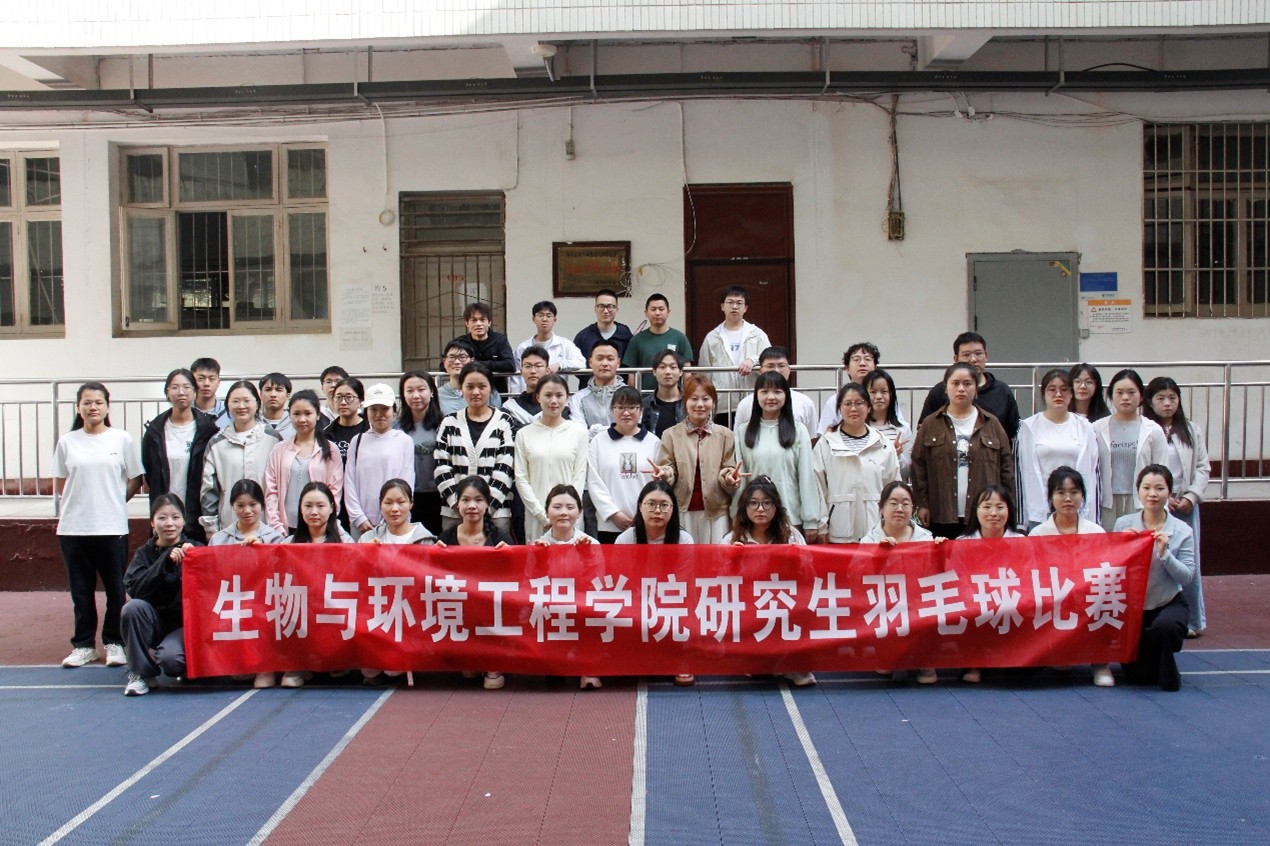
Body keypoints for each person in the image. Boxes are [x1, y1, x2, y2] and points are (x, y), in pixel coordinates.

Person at [53, 382, 145, 669]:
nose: (93, 407)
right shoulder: (67, 442)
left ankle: (114, 642)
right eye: (87, 402)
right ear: (78, 408)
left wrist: (115, 499)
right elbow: (61, 482)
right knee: (81, 591)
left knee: (116, 590)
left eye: (98, 402)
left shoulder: (121, 439)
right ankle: (83, 645)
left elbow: (136, 478)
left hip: (111, 527)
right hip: (74, 528)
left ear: (107, 407)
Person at [1027, 466, 1113, 688]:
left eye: (1074, 492)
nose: (1067, 498)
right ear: (1051, 497)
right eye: (1060, 492)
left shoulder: (1095, 532)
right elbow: (1031, 574)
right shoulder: (1038, 534)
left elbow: (1106, 570)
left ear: (1082, 496)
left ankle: (1100, 663)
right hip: (1052, 597)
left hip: (1087, 597)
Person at [723, 477, 814, 687]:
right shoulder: (731, 539)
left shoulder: (792, 536)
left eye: (767, 503)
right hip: (749, 605)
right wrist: (732, 562)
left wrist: (797, 562)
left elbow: (809, 574)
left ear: (776, 506)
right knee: (757, 670)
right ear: (744, 507)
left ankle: (792, 664)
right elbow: (718, 580)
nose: (760, 509)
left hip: (785, 601)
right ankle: (757, 657)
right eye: (753, 503)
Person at [1113, 465, 1195, 692]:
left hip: (1168, 603)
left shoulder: (1182, 531)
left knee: (1165, 627)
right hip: (1133, 608)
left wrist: (1165, 554)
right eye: (1146, 488)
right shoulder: (1123, 524)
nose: (1152, 494)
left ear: (1169, 492)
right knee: (1139, 677)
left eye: (1159, 488)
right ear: (1138, 491)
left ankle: (1170, 676)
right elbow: (1111, 568)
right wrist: (1121, 546)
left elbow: (1187, 576)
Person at [911, 363, 1015, 539]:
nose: (961, 389)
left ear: (976, 389)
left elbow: (1006, 469)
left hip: (983, 516)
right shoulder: (930, 424)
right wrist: (922, 504)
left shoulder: (992, 424)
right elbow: (918, 466)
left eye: (967, 383)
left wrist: (1008, 506)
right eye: (955, 383)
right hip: (941, 512)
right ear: (946, 388)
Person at [1144, 376, 1210, 637]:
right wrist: (1163, 497)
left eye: (1172, 398)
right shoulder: (1148, 429)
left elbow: (1203, 467)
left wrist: (1191, 496)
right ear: (1150, 402)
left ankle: (1193, 621)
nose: (1167, 404)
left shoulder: (1191, 430)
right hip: (1157, 504)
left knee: (1189, 562)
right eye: (1160, 398)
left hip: (1185, 505)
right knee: (1156, 561)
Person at [120, 494, 199, 696]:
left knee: (171, 661)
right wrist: (164, 561)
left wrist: (196, 560)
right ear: (152, 523)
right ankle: (140, 674)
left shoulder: (195, 548)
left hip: (185, 626)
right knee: (132, 608)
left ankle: (188, 664)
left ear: (184, 521)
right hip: (154, 623)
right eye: (162, 518)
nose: (169, 523)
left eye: (175, 517)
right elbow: (136, 589)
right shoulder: (144, 554)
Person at [274, 481, 351, 688]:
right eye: (308, 506)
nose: (314, 512)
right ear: (300, 509)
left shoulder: (346, 544)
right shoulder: (287, 544)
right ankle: (296, 665)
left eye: (320, 506)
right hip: (301, 609)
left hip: (333, 608)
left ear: (332, 508)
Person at [863, 480, 941, 684]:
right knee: (885, 668)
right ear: (881, 508)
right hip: (885, 603)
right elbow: (857, 577)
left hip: (918, 602)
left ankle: (923, 659)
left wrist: (942, 553)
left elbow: (936, 576)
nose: (899, 509)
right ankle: (890, 653)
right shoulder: (869, 540)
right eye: (893, 503)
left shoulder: (926, 539)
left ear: (912, 508)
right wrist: (878, 556)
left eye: (905, 504)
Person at [653, 375, 742, 544]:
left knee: (716, 557)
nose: (700, 404)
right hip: (681, 510)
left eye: (705, 399)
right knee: (685, 557)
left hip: (717, 512)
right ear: (685, 401)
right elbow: (668, 468)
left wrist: (730, 478)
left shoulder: (726, 435)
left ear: (713, 402)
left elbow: (728, 469)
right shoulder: (670, 434)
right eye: (694, 399)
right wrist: (664, 474)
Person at [736, 371, 821, 540]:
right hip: (754, 520)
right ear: (756, 396)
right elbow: (741, 479)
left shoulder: (799, 430)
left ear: (786, 395)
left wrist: (810, 520)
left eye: (777, 391)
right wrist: (737, 515)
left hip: (790, 518)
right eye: (764, 391)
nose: (771, 397)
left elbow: (806, 477)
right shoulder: (743, 432)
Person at [434, 362, 517, 535]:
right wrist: (459, 504)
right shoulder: (449, 422)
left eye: (482, 386)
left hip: (496, 513)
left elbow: (506, 467)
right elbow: (441, 467)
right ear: (461, 388)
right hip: (454, 513)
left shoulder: (504, 421)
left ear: (491, 388)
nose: (476, 392)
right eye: (470, 387)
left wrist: (486, 506)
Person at [532, 484, 600, 689]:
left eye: (570, 507)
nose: (563, 513)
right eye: (557, 507)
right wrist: (539, 561)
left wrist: (587, 559)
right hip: (550, 605)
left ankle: (588, 668)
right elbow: (528, 586)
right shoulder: (537, 545)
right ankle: (554, 662)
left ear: (579, 512)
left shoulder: (591, 544)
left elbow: (599, 584)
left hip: (581, 604)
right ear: (547, 512)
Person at [813, 383, 900, 543]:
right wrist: (822, 525)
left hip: (876, 531)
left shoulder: (883, 444)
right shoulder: (826, 443)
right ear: (839, 408)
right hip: (838, 531)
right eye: (847, 404)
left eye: (859, 403)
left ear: (869, 407)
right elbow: (818, 488)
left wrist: (891, 525)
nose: (853, 409)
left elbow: (893, 487)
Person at [1016, 369, 1101, 530]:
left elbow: (1094, 474)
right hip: (1040, 510)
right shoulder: (1028, 427)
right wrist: (1021, 521)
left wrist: (1094, 517)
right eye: (1052, 389)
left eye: (1064, 389)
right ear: (1043, 393)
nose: (1058, 394)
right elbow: (1020, 474)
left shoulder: (1085, 427)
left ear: (1071, 393)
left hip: (1075, 508)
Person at [140, 368, 219, 543]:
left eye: (186, 387)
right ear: (167, 392)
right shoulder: (154, 431)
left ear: (195, 391)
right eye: (175, 387)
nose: (181, 392)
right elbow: (149, 471)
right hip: (164, 515)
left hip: (197, 515)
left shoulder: (208, 430)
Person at [956, 483, 1025, 684]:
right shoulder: (962, 543)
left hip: (1013, 601)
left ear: (1009, 511)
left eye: (1000, 507)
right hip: (976, 602)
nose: (993, 513)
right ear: (975, 510)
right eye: (986, 507)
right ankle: (972, 664)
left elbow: (1029, 579)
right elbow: (958, 581)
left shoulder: (1021, 542)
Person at [199, 381, 283, 536]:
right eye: (235, 401)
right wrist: (211, 528)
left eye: (246, 400)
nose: (241, 406)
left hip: (268, 526)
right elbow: (209, 490)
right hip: (229, 525)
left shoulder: (272, 438)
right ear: (227, 405)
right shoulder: (217, 443)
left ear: (257, 403)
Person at [514, 374, 589, 541]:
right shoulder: (524, 434)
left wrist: (567, 510)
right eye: (548, 395)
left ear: (567, 398)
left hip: (569, 517)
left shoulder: (578, 433)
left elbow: (580, 475)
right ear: (538, 397)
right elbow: (521, 478)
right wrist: (542, 514)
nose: (553, 401)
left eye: (559, 395)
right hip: (536, 515)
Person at [1094, 369, 1168, 530]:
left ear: (1141, 396)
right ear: (1111, 396)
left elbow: (1163, 471)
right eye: (1119, 392)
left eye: (1131, 392)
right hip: (1106, 502)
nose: (1125, 397)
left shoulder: (1153, 430)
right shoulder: (1096, 429)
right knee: (1109, 543)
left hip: (1141, 501)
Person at [263, 390, 343, 535]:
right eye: (296, 414)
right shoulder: (279, 450)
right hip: (285, 527)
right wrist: (276, 526)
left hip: (319, 527)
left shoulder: (331, 450)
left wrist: (326, 521)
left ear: (317, 415)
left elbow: (335, 491)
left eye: (308, 413)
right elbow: (271, 491)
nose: (302, 419)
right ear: (289, 415)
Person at [589, 386, 663, 543]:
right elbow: (594, 482)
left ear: (641, 410)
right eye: (620, 407)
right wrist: (613, 513)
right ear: (612, 410)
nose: (626, 412)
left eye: (632, 407)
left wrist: (643, 514)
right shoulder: (598, 442)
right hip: (609, 524)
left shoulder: (653, 442)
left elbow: (658, 484)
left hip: (646, 522)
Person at [917, 332, 1021, 440]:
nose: (973, 359)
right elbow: (924, 429)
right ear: (956, 359)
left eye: (978, 353)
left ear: (986, 355)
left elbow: (1013, 431)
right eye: (966, 355)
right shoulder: (940, 391)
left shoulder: (1002, 391)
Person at [344, 383, 416, 537]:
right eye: (373, 409)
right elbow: (349, 481)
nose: (379, 414)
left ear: (394, 411)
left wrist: (390, 516)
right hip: (361, 524)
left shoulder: (404, 441)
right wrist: (358, 517)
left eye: (384, 409)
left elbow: (406, 482)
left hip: (395, 520)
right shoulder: (357, 441)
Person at [697, 286, 771, 422]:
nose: (734, 307)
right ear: (722, 306)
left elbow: (770, 362)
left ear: (745, 308)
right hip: (723, 404)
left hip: (753, 402)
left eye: (739, 303)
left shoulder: (757, 335)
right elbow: (704, 373)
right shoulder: (712, 337)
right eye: (730, 302)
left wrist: (753, 360)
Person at [397, 370, 445, 535]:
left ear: (431, 392)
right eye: (409, 391)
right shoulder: (397, 427)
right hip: (409, 497)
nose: (416, 395)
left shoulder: (444, 424)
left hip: (438, 495)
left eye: (421, 389)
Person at [735, 346, 819, 436]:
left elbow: (811, 437)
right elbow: (738, 437)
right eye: (770, 366)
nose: (776, 371)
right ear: (761, 371)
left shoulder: (805, 403)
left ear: (789, 370)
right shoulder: (745, 404)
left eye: (781, 366)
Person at [817, 342, 894, 435]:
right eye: (856, 359)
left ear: (875, 367)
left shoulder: (884, 398)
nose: (862, 363)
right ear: (847, 369)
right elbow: (824, 434)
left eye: (867, 359)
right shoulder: (835, 401)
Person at [622, 293, 694, 390]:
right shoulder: (636, 340)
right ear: (646, 313)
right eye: (653, 309)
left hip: (674, 395)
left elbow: (687, 372)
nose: (657, 313)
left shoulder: (680, 338)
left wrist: (687, 394)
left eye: (661, 309)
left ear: (668, 312)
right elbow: (632, 374)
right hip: (645, 395)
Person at [510, 300, 585, 392]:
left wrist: (560, 365)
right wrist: (517, 396)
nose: (544, 319)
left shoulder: (564, 344)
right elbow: (516, 376)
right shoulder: (523, 347)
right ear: (533, 319)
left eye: (548, 316)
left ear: (554, 320)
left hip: (555, 395)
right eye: (540, 315)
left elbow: (581, 362)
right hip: (528, 396)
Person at [573, 289, 633, 389]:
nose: (605, 311)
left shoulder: (625, 335)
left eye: (610, 306)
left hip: (619, 392)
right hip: (590, 391)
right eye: (601, 306)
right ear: (595, 309)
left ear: (616, 309)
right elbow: (577, 366)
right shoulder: (583, 337)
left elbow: (630, 365)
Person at [450, 302, 516, 393]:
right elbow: (444, 365)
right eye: (474, 320)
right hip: (467, 394)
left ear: (489, 322)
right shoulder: (460, 342)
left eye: (482, 320)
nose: (478, 324)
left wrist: (473, 364)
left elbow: (510, 365)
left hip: (496, 393)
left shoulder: (500, 340)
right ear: (467, 323)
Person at [863, 369, 914, 482]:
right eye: (873, 392)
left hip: (894, 490)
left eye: (884, 391)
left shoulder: (903, 428)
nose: (879, 396)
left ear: (891, 394)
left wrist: (896, 456)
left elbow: (908, 471)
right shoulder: (860, 428)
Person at [435, 476, 515, 549]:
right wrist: (435, 552)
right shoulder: (445, 539)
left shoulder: (501, 538)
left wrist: (509, 554)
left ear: (487, 503)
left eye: (478, 500)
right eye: (465, 500)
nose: (472, 506)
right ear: (458, 503)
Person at [616, 480, 694, 545]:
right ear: (640, 506)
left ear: (672, 508)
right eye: (651, 504)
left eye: (664, 505)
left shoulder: (684, 540)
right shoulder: (625, 540)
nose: (657, 511)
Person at [569, 339, 625, 430]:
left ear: (618, 363)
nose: (605, 363)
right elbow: (579, 432)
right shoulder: (578, 399)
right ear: (590, 362)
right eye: (599, 359)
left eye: (610, 359)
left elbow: (631, 430)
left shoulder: (630, 396)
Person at [359, 479, 437, 544]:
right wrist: (365, 552)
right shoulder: (367, 539)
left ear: (411, 503)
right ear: (380, 504)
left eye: (401, 502)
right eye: (388, 503)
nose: (394, 509)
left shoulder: (424, 540)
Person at [210, 479, 286, 545]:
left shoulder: (275, 539)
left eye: (253, 504)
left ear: (262, 505)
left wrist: (262, 550)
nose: (247, 511)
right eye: (240, 505)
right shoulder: (218, 540)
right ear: (233, 506)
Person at [323, 377, 371, 463]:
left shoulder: (370, 430)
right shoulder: (327, 433)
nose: (343, 402)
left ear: (361, 400)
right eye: (338, 397)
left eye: (349, 397)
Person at [641, 349, 686, 437]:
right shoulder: (645, 405)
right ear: (654, 371)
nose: (668, 372)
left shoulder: (689, 403)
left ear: (680, 372)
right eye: (662, 367)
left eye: (673, 367)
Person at [503, 345, 551, 426]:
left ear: (547, 371)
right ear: (521, 371)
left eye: (538, 366)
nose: (533, 371)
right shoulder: (510, 407)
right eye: (528, 366)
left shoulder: (558, 405)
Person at [191, 356, 229, 429]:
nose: (206, 383)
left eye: (212, 379)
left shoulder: (229, 412)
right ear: (192, 381)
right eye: (201, 378)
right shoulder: (185, 411)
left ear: (218, 382)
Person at [259, 372, 294, 438]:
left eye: (279, 390)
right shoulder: (253, 422)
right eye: (268, 390)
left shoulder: (295, 422)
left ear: (288, 396)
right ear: (260, 395)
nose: (273, 394)